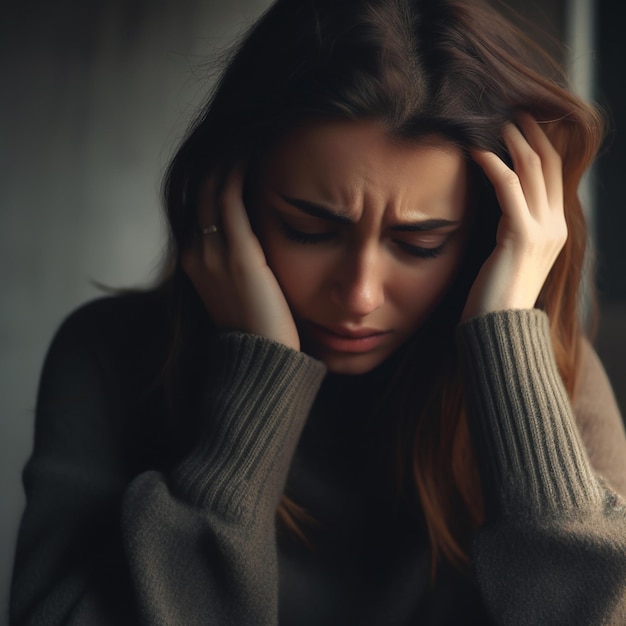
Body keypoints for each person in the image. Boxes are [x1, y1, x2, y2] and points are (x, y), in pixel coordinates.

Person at [10, 0, 626, 623]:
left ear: (490, 234)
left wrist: (510, 361)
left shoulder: (546, 379)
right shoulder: (107, 358)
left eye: (420, 245)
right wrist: (254, 393)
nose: (359, 294)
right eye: (310, 229)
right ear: (229, 199)